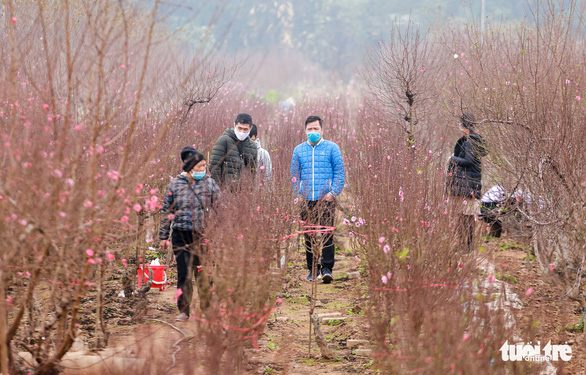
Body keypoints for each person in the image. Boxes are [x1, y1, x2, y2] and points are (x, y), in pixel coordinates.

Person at [159, 148, 221, 321]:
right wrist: (163, 236)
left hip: (203, 235)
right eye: (200, 166)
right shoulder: (174, 184)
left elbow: (220, 209)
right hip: (180, 235)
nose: (204, 169)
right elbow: (166, 211)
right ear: (190, 167)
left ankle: (207, 307)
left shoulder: (210, 184)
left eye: (204, 166)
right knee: (183, 274)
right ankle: (184, 310)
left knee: (204, 274)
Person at [291, 115, 345, 283]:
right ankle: (312, 269)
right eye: (310, 129)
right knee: (309, 234)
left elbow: (339, 173)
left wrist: (333, 192)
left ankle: (327, 268)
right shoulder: (299, 150)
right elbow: (294, 176)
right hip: (306, 199)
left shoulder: (332, 148)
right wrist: (298, 194)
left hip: (326, 198)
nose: (313, 132)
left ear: (322, 130)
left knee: (327, 233)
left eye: (316, 129)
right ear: (305, 131)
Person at [446, 113, 487, 253]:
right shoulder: (472, 140)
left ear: (464, 125)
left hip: (466, 186)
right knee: (463, 217)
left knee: (466, 219)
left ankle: (466, 248)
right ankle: (463, 246)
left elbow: (468, 161)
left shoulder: (470, 142)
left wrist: (452, 159)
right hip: (467, 185)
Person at [209, 113, 258, 188]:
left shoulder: (252, 146)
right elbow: (215, 166)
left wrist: (250, 188)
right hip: (225, 189)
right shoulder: (224, 140)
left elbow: (252, 171)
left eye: (245, 129)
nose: (242, 132)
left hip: (243, 191)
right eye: (239, 128)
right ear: (234, 125)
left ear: (250, 128)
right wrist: (217, 189)